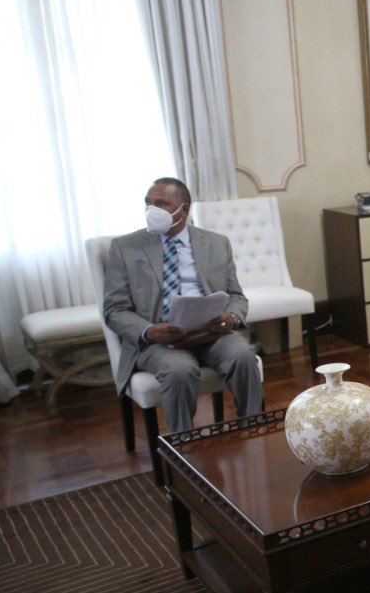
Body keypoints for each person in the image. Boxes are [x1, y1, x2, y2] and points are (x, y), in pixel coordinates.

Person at [102, 178, 263, 433]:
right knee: (180, 370)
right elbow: (114, 310)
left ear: (184, 209)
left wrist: (231, 317)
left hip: (211, 333)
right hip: (159, 340)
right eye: (148, 204)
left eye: (161, 204)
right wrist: (149, 331)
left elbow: (236, 296)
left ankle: (253, 430)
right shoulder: (125, 248)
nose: (151, 210)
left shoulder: (216, 243)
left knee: (243, 355)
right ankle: (183, 442)